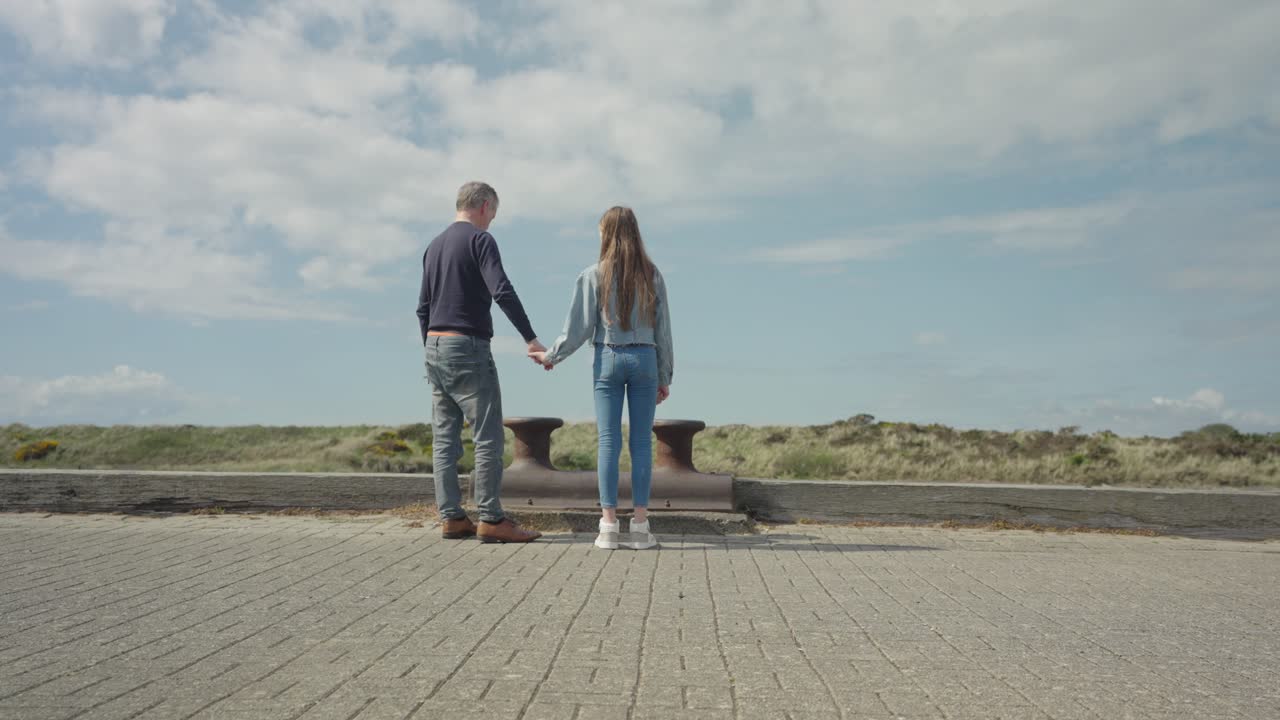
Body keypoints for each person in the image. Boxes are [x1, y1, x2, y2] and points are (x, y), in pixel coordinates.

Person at [529, 206, 673, 550]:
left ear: (606, 234)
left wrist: (552, 356)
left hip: (608, 357)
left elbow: (577, 328)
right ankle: (640, 527)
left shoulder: (593, 274)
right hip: (645, 358)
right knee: (641, 444)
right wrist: (664, 375)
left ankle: (608, 527)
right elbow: (664, 330)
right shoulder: (652, 274)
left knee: (608, 442)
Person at [417, 181, 544, 543]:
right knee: (487, 436)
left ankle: (452, 518)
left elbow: (422, 307)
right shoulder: (479, 240)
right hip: (467, 347)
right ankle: (491, 518)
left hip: (434, 345)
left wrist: (431, 348)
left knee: (444, 439)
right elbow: (500, 288)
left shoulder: (434, 245)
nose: (491, 222)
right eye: (493, 214)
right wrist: (530, 337)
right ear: (485, 206)